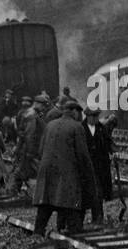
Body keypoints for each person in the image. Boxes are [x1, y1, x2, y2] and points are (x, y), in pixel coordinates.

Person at [33, 100, 99, 235]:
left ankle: (38, 232)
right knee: (69, 200)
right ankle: (74, 231)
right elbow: (82, 155)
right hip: (66, 172)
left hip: (46, 170)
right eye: (79, 113)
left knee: (45, 203)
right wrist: (89, 175)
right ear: (74, 112)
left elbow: (40, 151)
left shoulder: (50, 125)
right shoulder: (77, 127)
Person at [82, 106, 114, 225]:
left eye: (97, 115)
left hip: (100, 166)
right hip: (86, 166)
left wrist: (113, 151)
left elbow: (108, 142)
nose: (96, 118)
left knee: (99, 192)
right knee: (86, 193)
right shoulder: (81, 128)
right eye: (93, 116)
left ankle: (98, 218)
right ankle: (79, 220)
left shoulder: (101, 128)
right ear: (88, 116)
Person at [14, 93, 48, 194]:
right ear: (37, 104)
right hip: (31, 149)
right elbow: (30, 134)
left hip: (30, 147)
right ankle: (15, 190)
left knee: (23, 169)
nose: (43, 108)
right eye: (43, 105)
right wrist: (30, 151)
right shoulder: (31, 115)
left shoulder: (32, 113)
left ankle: (16, 190)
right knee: (32, 169)